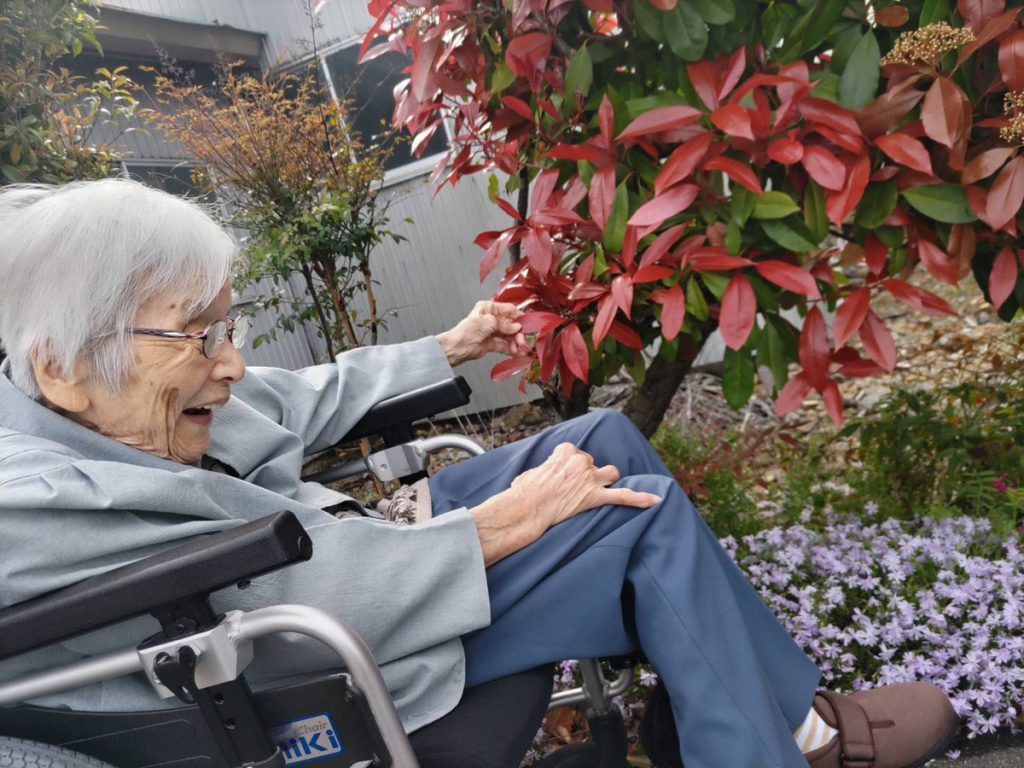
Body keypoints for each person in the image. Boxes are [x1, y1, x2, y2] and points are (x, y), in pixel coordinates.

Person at [0, 179, 957, 768]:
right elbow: (278, 601)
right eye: (199, 335)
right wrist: (505, 522)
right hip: (306, 655)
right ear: (61, 363)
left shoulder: (111, 394)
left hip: (351, 560)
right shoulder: (30, 504)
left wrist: (447, 346)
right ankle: (780, 744)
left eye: (228, 326)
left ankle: (780, 725)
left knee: (601, 439)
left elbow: (290, 396)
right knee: (630, 514)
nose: (232, 362)